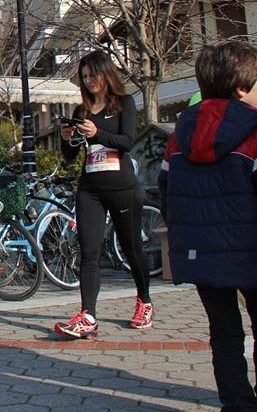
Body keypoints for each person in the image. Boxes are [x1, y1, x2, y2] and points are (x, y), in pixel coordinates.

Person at [159, 41, 257, 412]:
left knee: (224, 331)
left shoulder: (180, 134)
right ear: (241, 88)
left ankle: (237, 403)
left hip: (202, 251)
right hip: (256, 251)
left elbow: (167, 194)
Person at [54, 50, 154, 339]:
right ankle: (88, 315)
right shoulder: (82, 111)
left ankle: (145, 301)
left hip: (122, 187)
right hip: (90, 189)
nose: (89, 81)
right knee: (89, 251)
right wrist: (66, 139)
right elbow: (71, 156)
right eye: (84, 77)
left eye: (92, 75)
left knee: (131, 247)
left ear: (106, 73)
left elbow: (127, 142)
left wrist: (96, 133)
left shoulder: (124, 103)